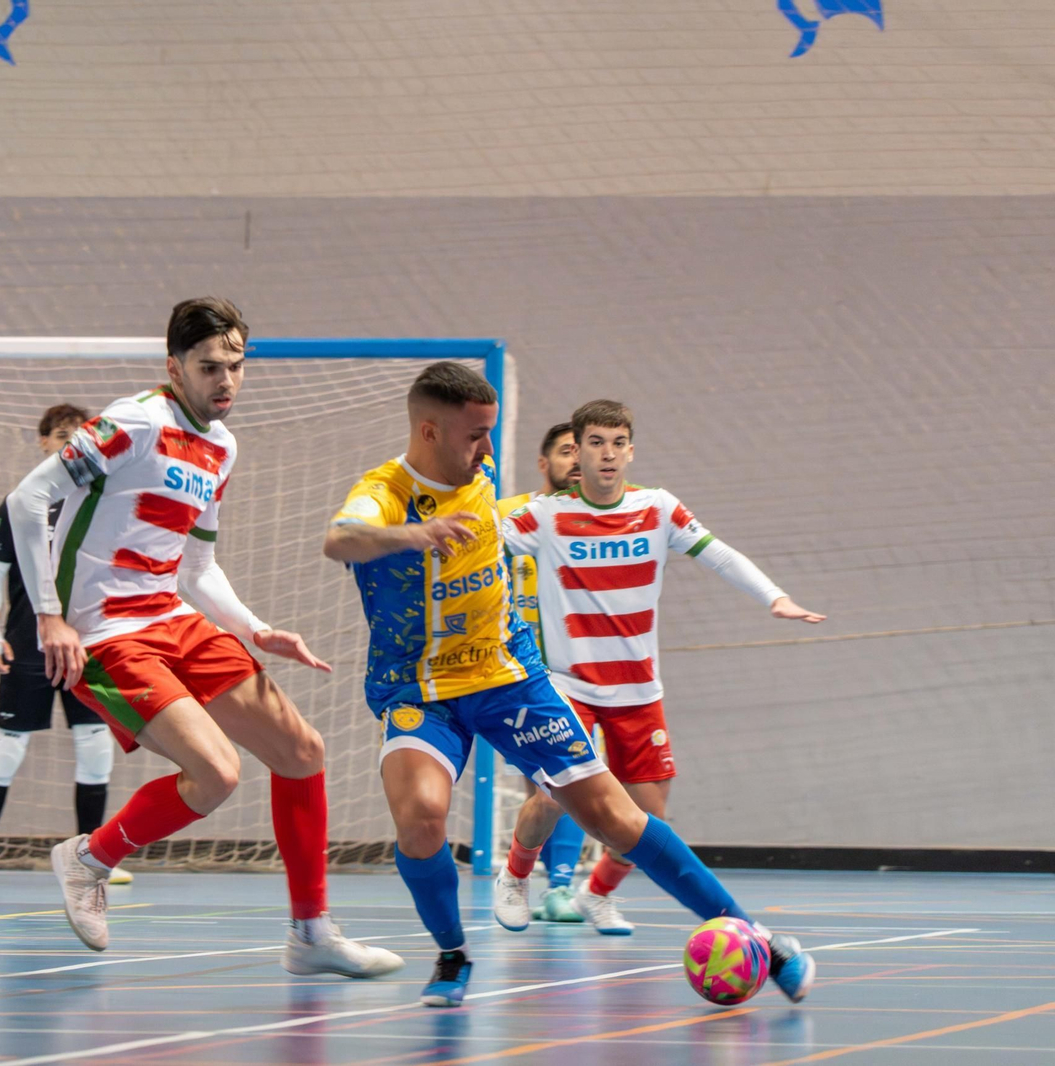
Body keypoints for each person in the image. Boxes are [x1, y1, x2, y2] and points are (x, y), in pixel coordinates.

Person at [325, 362, 813, 1008]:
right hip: (420, 690)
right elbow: (341, 538)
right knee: (421, 818)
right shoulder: (384, 492)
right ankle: (452, 954)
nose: (488, 450)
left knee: (616, 815)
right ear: (429, 432)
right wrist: (413, 536)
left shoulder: (484, 476)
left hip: (509, 677)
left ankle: (762, 939)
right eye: (475, 435)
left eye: (491, 433)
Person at [4, 297, 402, 979]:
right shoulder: (132, 423)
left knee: (302, 751)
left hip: (170, 615)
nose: (226, 381)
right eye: (209, 366)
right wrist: (49, 616)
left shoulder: (222, 446)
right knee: (217, 773)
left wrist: (255, 629)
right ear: (175, 367)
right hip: (103, 632)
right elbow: (26, 500)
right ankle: (91, 858)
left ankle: (311, 934)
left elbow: (196, 567)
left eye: (236, 366)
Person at [500, 399, 826, 936]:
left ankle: (596, 894)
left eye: (618, 443)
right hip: (569, 687)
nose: (608, 454)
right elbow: (479, 545)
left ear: (631, 451)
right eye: (596, 443)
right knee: (552, 796)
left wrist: (775, 597)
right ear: (578, 452)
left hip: (637, 690)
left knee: (650, 821)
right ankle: (515, 876)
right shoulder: (546, 515)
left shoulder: (657, 508)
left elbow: (719, 554)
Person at [0, 405, 134, 887]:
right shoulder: (21, 502)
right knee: (8, 747)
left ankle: (91, 855)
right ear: (43, 442)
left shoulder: (105, 502)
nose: (69, 442)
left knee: (95, 745)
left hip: (88, 645)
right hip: (29, 643)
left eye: (78, 435)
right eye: (60, 435)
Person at [493, 422, 589, 926]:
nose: (577, 460)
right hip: (512, 671)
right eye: (566, 451)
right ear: (543, 461)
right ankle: (530, 879)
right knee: (550, 786)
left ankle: (558, 885)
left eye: (582, 451)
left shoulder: (596, 523)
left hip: (574, 669)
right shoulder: (508, 514)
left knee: (570, 779)